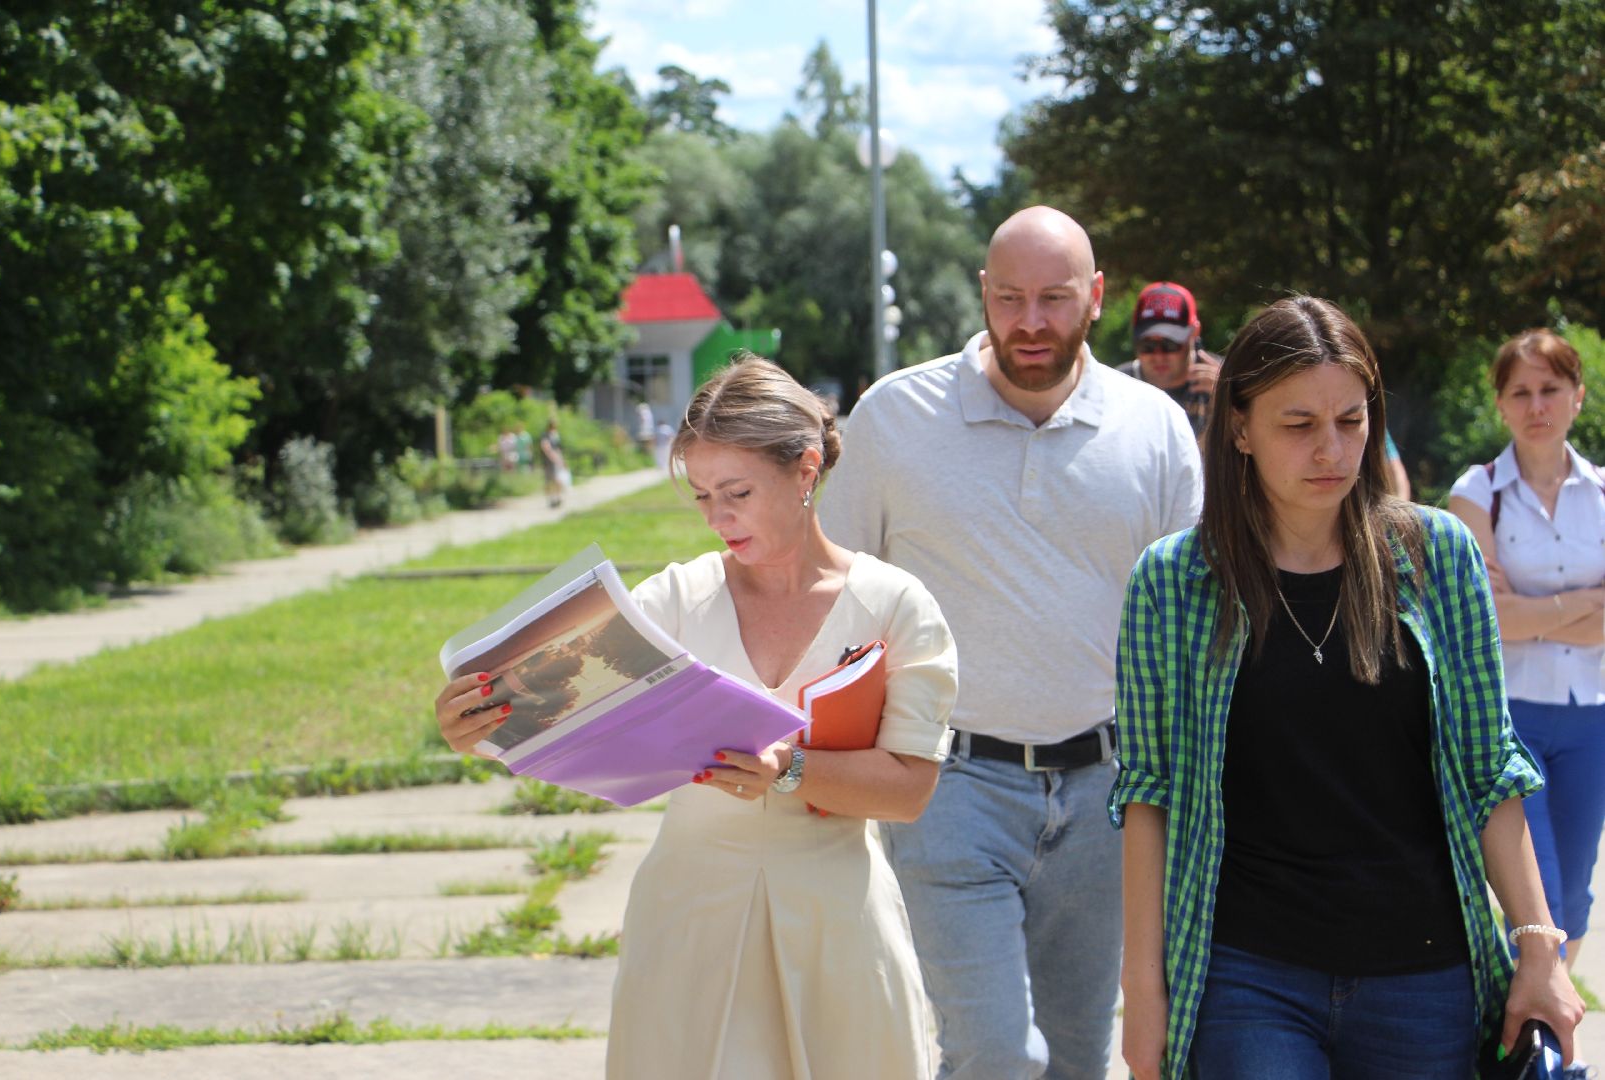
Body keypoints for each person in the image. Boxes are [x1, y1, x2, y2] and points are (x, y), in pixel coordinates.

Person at [437, 357, 958, 1079]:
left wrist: (789, 768)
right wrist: (481, 723)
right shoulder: (675, 600)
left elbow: (909, 788)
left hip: (838, 925)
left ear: (806, 468)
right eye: (703, 495)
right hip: (688, 924)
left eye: (737, 492)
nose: (717, 518)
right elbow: (567, 715)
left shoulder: (897, 605)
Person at [1113, 297, 1584, 1079]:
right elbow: (1147, 794)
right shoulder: (1173, 581)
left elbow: (1488, 766)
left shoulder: (1440, 556)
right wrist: (1144, 990)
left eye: (1352, 420)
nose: (1331, 449)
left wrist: (1539, 943)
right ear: (1240, 428)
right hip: (1246, 975)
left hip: (1425, 976)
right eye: (1298, 425)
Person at [822, 206, 1203, 1078]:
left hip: (1110, 793)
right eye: (1011, 297)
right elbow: (833, 591)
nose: (1031, 322)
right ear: (984, 295)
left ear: (1097, 297)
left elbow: (1195, 622)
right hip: (947, 786)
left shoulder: (1155, 430)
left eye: (1056, 299)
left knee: (1077, 1055)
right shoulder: (894, 419)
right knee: (995, 1052)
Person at [1448, 328, 1605, 1071]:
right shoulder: (1476, 493)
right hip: (1509, 719)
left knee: (1570, 900)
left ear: (1577, 396)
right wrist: (1584, 605)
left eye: (1550, 389)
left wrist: (1530, 609)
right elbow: (1489, 619)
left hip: (1592, 717)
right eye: (1521, 392)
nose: (1537, 406)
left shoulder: (1603, 492)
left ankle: (1534, 1034)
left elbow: (1514, 614)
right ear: (1501, 404)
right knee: (1530, 902)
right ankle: (1541, 1063)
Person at [1117, 281, 1221, 441]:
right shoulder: (1118, 386)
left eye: (1170, 344)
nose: (1158, 356)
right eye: (1148, 345)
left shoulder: (1226, 378)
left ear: (1194, 333)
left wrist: (1229, 399)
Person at [539, 418, 566, 508]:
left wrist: (561, 460)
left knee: (557, 480)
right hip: (549, 461)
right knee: (549, 481)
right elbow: (546, 447)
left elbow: (558, 449)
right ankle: (551, 499)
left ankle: (558, 498)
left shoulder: (556, 435)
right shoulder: (545, 435)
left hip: (557, 460)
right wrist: (554, 458)